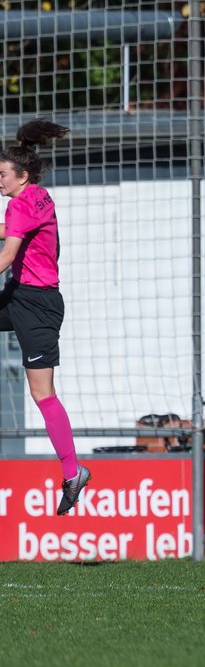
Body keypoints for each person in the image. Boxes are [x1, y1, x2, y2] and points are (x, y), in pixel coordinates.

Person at [0, 119, 89, 515]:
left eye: (2, 174)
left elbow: (7, 254)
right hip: (22, 296)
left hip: (36, 305)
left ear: (20, 174)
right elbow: (17, 231)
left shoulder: (19, 203)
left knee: (42, 393)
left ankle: (73, 473)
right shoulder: (39, 196)